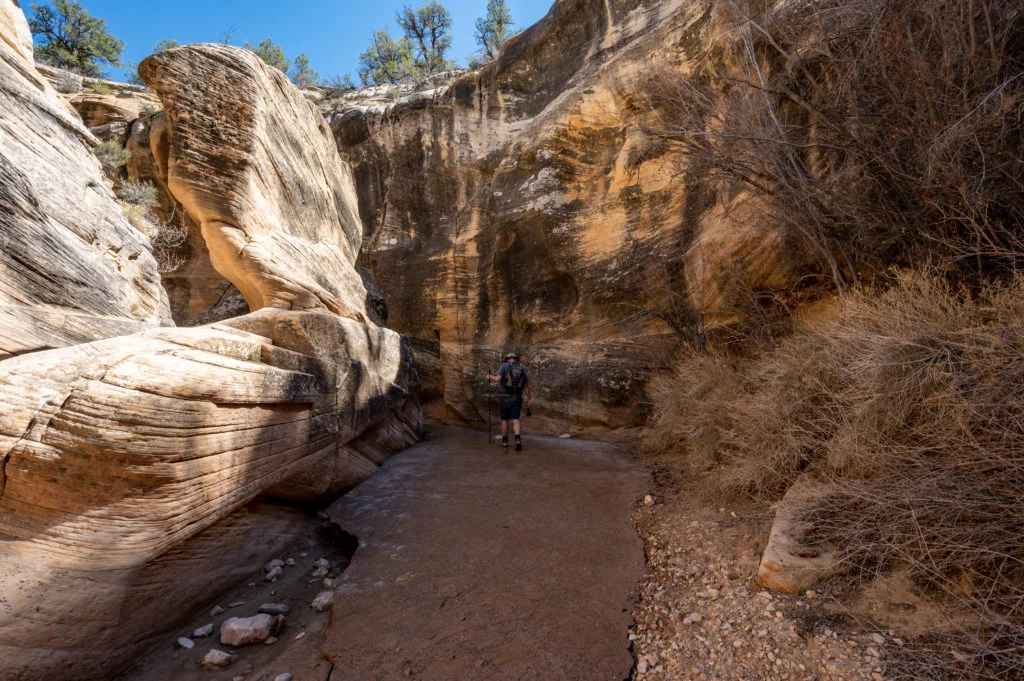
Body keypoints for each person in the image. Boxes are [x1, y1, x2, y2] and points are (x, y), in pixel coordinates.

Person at [487, 351, 532, 451]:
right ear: (516, 359)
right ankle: (517, 439)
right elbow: (526, 386)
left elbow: (497, 379)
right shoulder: (521, 368)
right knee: (516, 419)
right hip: (517, 397)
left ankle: (505, 441)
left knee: (504, 419)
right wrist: (529, 399)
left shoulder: (504, 366)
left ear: (507, 359)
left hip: (504, 397)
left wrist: (489, 376)